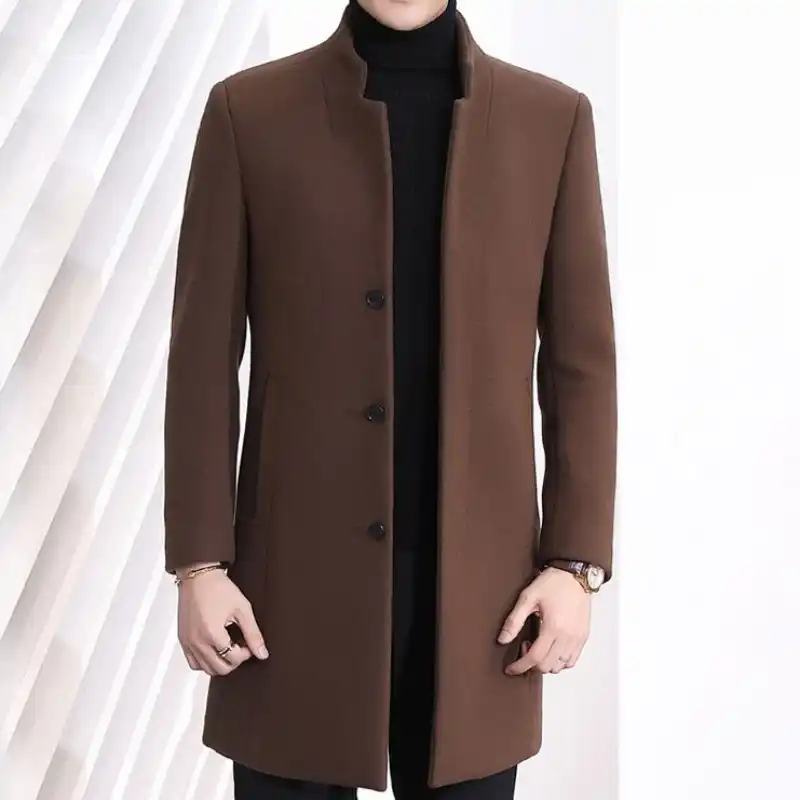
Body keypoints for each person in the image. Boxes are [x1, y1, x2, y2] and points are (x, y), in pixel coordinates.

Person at [163, 0, 617, 798]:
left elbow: (581, 364)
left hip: (486, 603)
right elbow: (202, 359)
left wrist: (575, 566)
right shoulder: (250, 113)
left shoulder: (550, 121)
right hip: (289, 593)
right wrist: (199, 565)